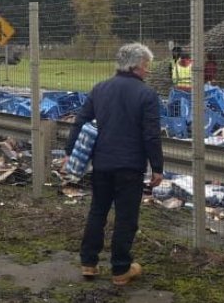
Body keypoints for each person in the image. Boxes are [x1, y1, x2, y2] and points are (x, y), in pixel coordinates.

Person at [67, 42, 164, 285]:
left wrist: (70, 152)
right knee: (126, 217)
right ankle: (121, 269)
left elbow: (80, 121)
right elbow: (151, 135)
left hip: (102, 163)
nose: (148, 70)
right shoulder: (147, 94)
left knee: (97, 211)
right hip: (130, 166)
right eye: (146, 65)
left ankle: (89, 262)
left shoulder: (100, 89)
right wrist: (157, 167)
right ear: (136, 66)